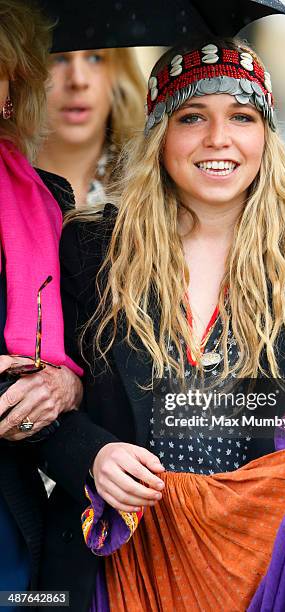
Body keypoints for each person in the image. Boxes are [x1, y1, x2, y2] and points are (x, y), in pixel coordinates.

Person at [39, 37, 285, 610]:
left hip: (263, 570)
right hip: (113, 569)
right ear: (160, 134)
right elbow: (42, 407)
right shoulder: (91, 252)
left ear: (266, 135)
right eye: (193, 117)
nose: (219, 139)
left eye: (242, 116)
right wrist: (93, 455)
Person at [0, 0, 82, 597]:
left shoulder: (50, 202)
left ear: (13, 86)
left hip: (11, 516)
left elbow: (96, 362)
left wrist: (64, 385)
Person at [36, 47, 146, 208]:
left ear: (119, 73)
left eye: (95, 58)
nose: (78, 80)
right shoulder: (6, 186)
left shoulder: (151, 187)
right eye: (58, 58)